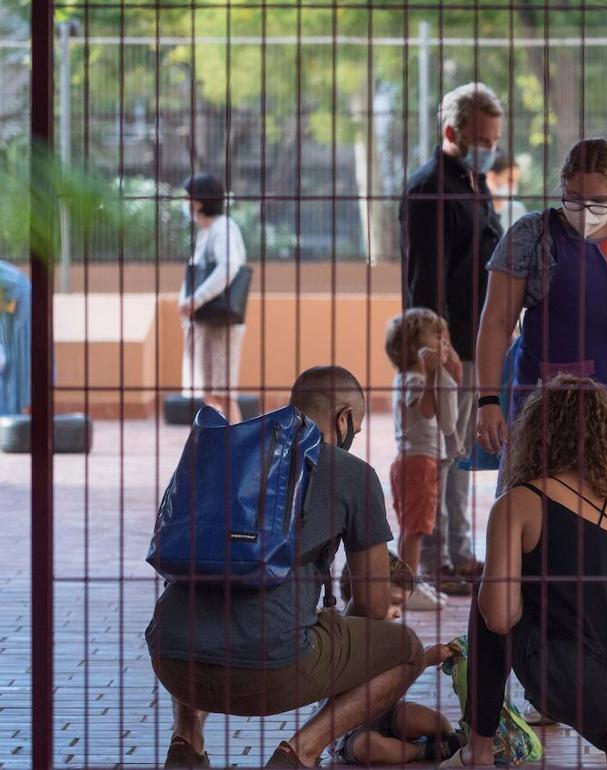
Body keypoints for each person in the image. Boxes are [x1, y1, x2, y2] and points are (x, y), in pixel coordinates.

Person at [147, 365, 448, 769]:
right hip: (268, 670)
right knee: (407, 649)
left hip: (171, 655)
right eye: (354, 431)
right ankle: (300, 754)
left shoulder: (228, 454)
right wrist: (332, 633)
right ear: (343, 420)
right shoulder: (353, 474)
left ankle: (187, 739)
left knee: (205, 586)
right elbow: (376, 605)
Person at [445, 376, 607, 769]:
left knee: (492, 601)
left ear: (537, 433)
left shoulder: (520, 502)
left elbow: (500, 617)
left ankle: (479, 751)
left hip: (593, 681)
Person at [475, 137, 607, 533]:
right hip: (550, 411)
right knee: (540, 523)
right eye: (574, 198)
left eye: (598, 201)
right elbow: (495, 322)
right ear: (562, 186)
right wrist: (488, 399)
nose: (585, 211)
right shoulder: (531, 237)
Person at [400, 82, 504, 592]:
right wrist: (433, 352)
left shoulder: (472, 181)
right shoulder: (429, 189)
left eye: (494, 138)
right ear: (451, 132)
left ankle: (461, 553)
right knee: (437, 454)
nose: (490, 146)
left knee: (459, 453)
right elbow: (426, 279)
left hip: (475, 341)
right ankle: (435, 559)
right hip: (445, 347)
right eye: (481, 137)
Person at [327, 554, 462, 765]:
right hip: (349, 729)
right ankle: (422, 750)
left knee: (430, 720)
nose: (398, 613)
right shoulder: (343, 631)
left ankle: (454, 739)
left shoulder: (390, 635)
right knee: (371, 748)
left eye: (402, 606)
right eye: (395, 603)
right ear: (363, 594)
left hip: (387, 712)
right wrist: (423, 659)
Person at [384, 308, 466, 611]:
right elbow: (427, 410)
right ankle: (407, 588)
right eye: (437, 337)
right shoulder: (413, 380)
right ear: (414, 346)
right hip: (416, 463)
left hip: (420, 461)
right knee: (415, 530)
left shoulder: (413, 378)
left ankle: (411, 581)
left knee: (415, 527)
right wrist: (433, 375)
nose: (444, 343)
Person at [179, 173, 246, 424]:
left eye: (187, 198)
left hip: (220, 323)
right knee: (210, 393)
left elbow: (229, 266)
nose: (184, 203)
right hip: (205, 323)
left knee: (224, 392)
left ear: (198, 201)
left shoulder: (223, 228)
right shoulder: (206, 232)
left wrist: (196, 299)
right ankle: (222, 443)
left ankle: (238, 446)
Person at [486, 152, 527, 231]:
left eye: (516, 181)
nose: (513, 186)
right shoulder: (478, 210)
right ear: (491, 177)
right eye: (510, 180)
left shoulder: (518, 210)